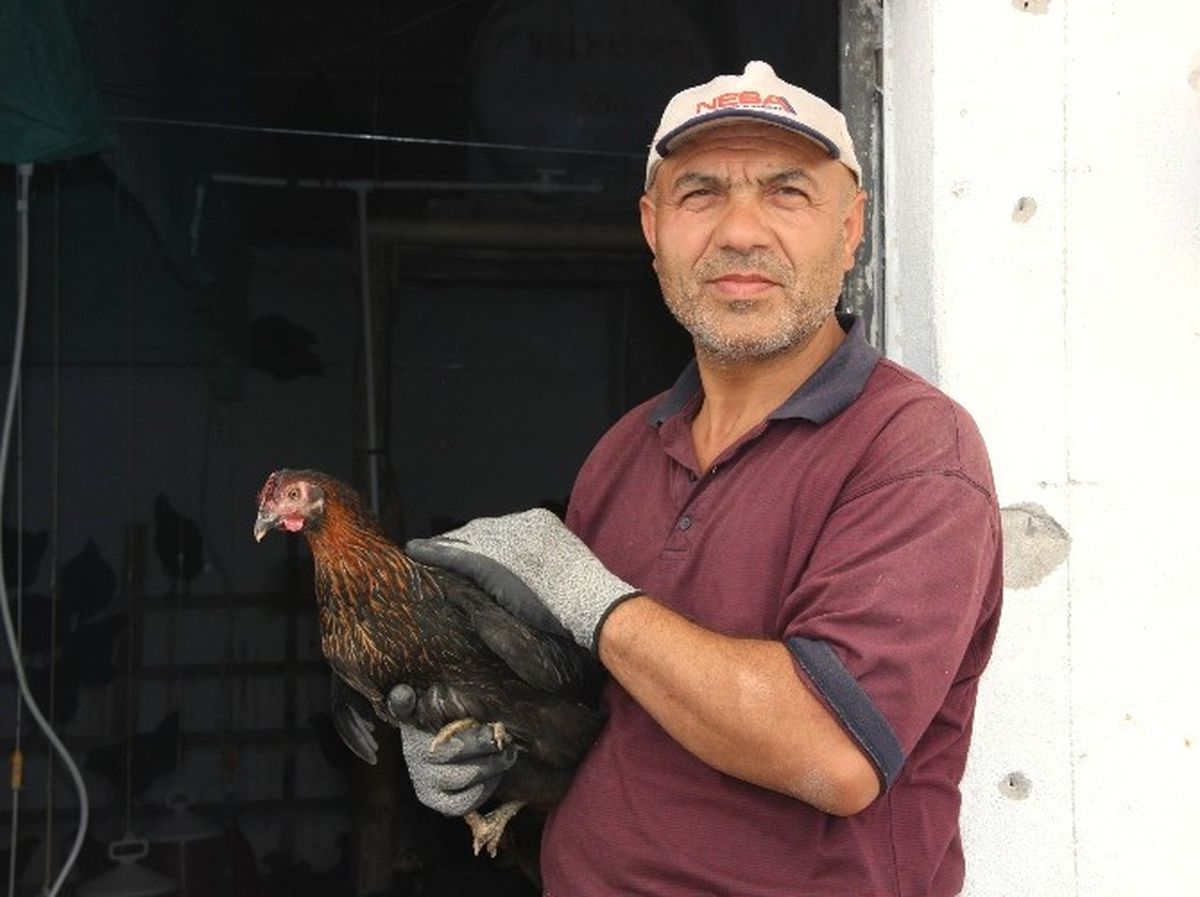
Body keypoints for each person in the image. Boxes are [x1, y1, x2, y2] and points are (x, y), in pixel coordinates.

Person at [362, 60, 1003, 896]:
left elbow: (834, 749)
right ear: (653, 227)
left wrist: (589, 596)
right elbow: (614, 723)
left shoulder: (912, 445)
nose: (740, 231)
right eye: (700, 193)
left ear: (850, 229)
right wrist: (497, 756)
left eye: (787, 192)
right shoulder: (624, 451)